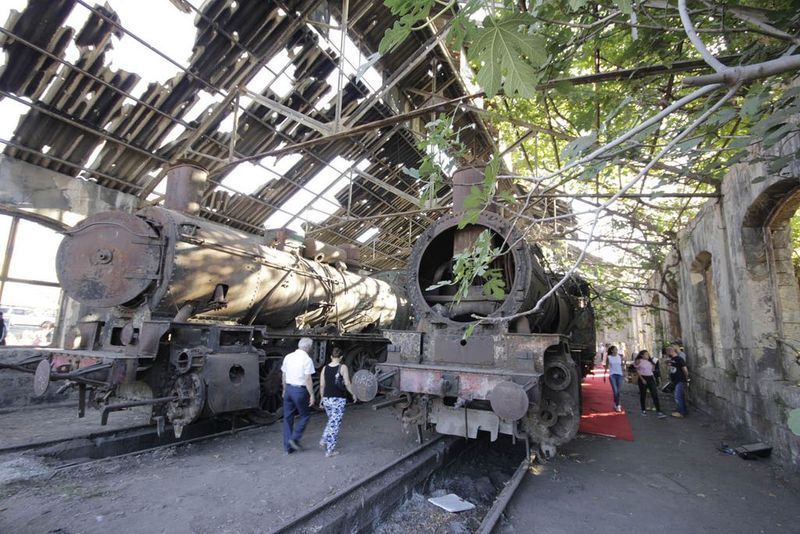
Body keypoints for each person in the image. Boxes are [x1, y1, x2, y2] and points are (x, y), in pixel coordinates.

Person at [281, 337, 316, 453]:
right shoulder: (307, 360)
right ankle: (294, 438)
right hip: (300, 391)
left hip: (289, 389)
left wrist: (284, 389)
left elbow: (284, 375)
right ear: (309, 348)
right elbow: (308, 379)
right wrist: (312, 394)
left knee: (287, 418)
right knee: (305, 415)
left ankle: (287, 448)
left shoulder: (288, 357)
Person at [319, 347, 355, 458]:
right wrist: (353, 394)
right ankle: (330, 451)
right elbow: (347, 383)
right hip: (338, 399)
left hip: (327, 398)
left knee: (332, 421)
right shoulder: (343, 367)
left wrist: (322, 399)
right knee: (334, 425)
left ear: (331, 357)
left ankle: (324, 439)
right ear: (341, 357)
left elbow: (322, 385)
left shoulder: (325, 368)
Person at [634, 350, 667, 418]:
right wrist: (642, 379)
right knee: (643, 394)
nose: (647, 355)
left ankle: (659, 411)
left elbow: (652, 370)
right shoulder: (639, 361)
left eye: (648, 354)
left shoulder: (650, 361)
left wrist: (654, 367)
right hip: (643, 378)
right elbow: (637, 371)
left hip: (651, 378)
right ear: (642, 355)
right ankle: (643, 410)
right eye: (646, 354)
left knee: (654, 394)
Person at [667, 346, 690, 418]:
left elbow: (685, 370)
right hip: (675, 380)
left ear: (672, 351)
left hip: (680, 380)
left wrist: (687, 378)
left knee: (678, 397)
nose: (667, 352)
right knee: (680, 396)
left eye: (668, 350)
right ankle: (682, 410)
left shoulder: (679, 359)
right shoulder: (672, 359)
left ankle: (681, 413)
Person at [604, 345, 624, 412]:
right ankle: (618, 405)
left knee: (618, 391)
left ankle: (616, 403)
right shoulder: (609, 357)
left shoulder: (620, 356)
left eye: (617, 349)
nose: (616, 350)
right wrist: (604, 374)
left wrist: (624, 373)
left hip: (619, 375)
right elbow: (606, 366)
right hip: (612, 375)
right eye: (615, 349)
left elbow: (622, 365)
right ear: (612, 350)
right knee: (615, 391)